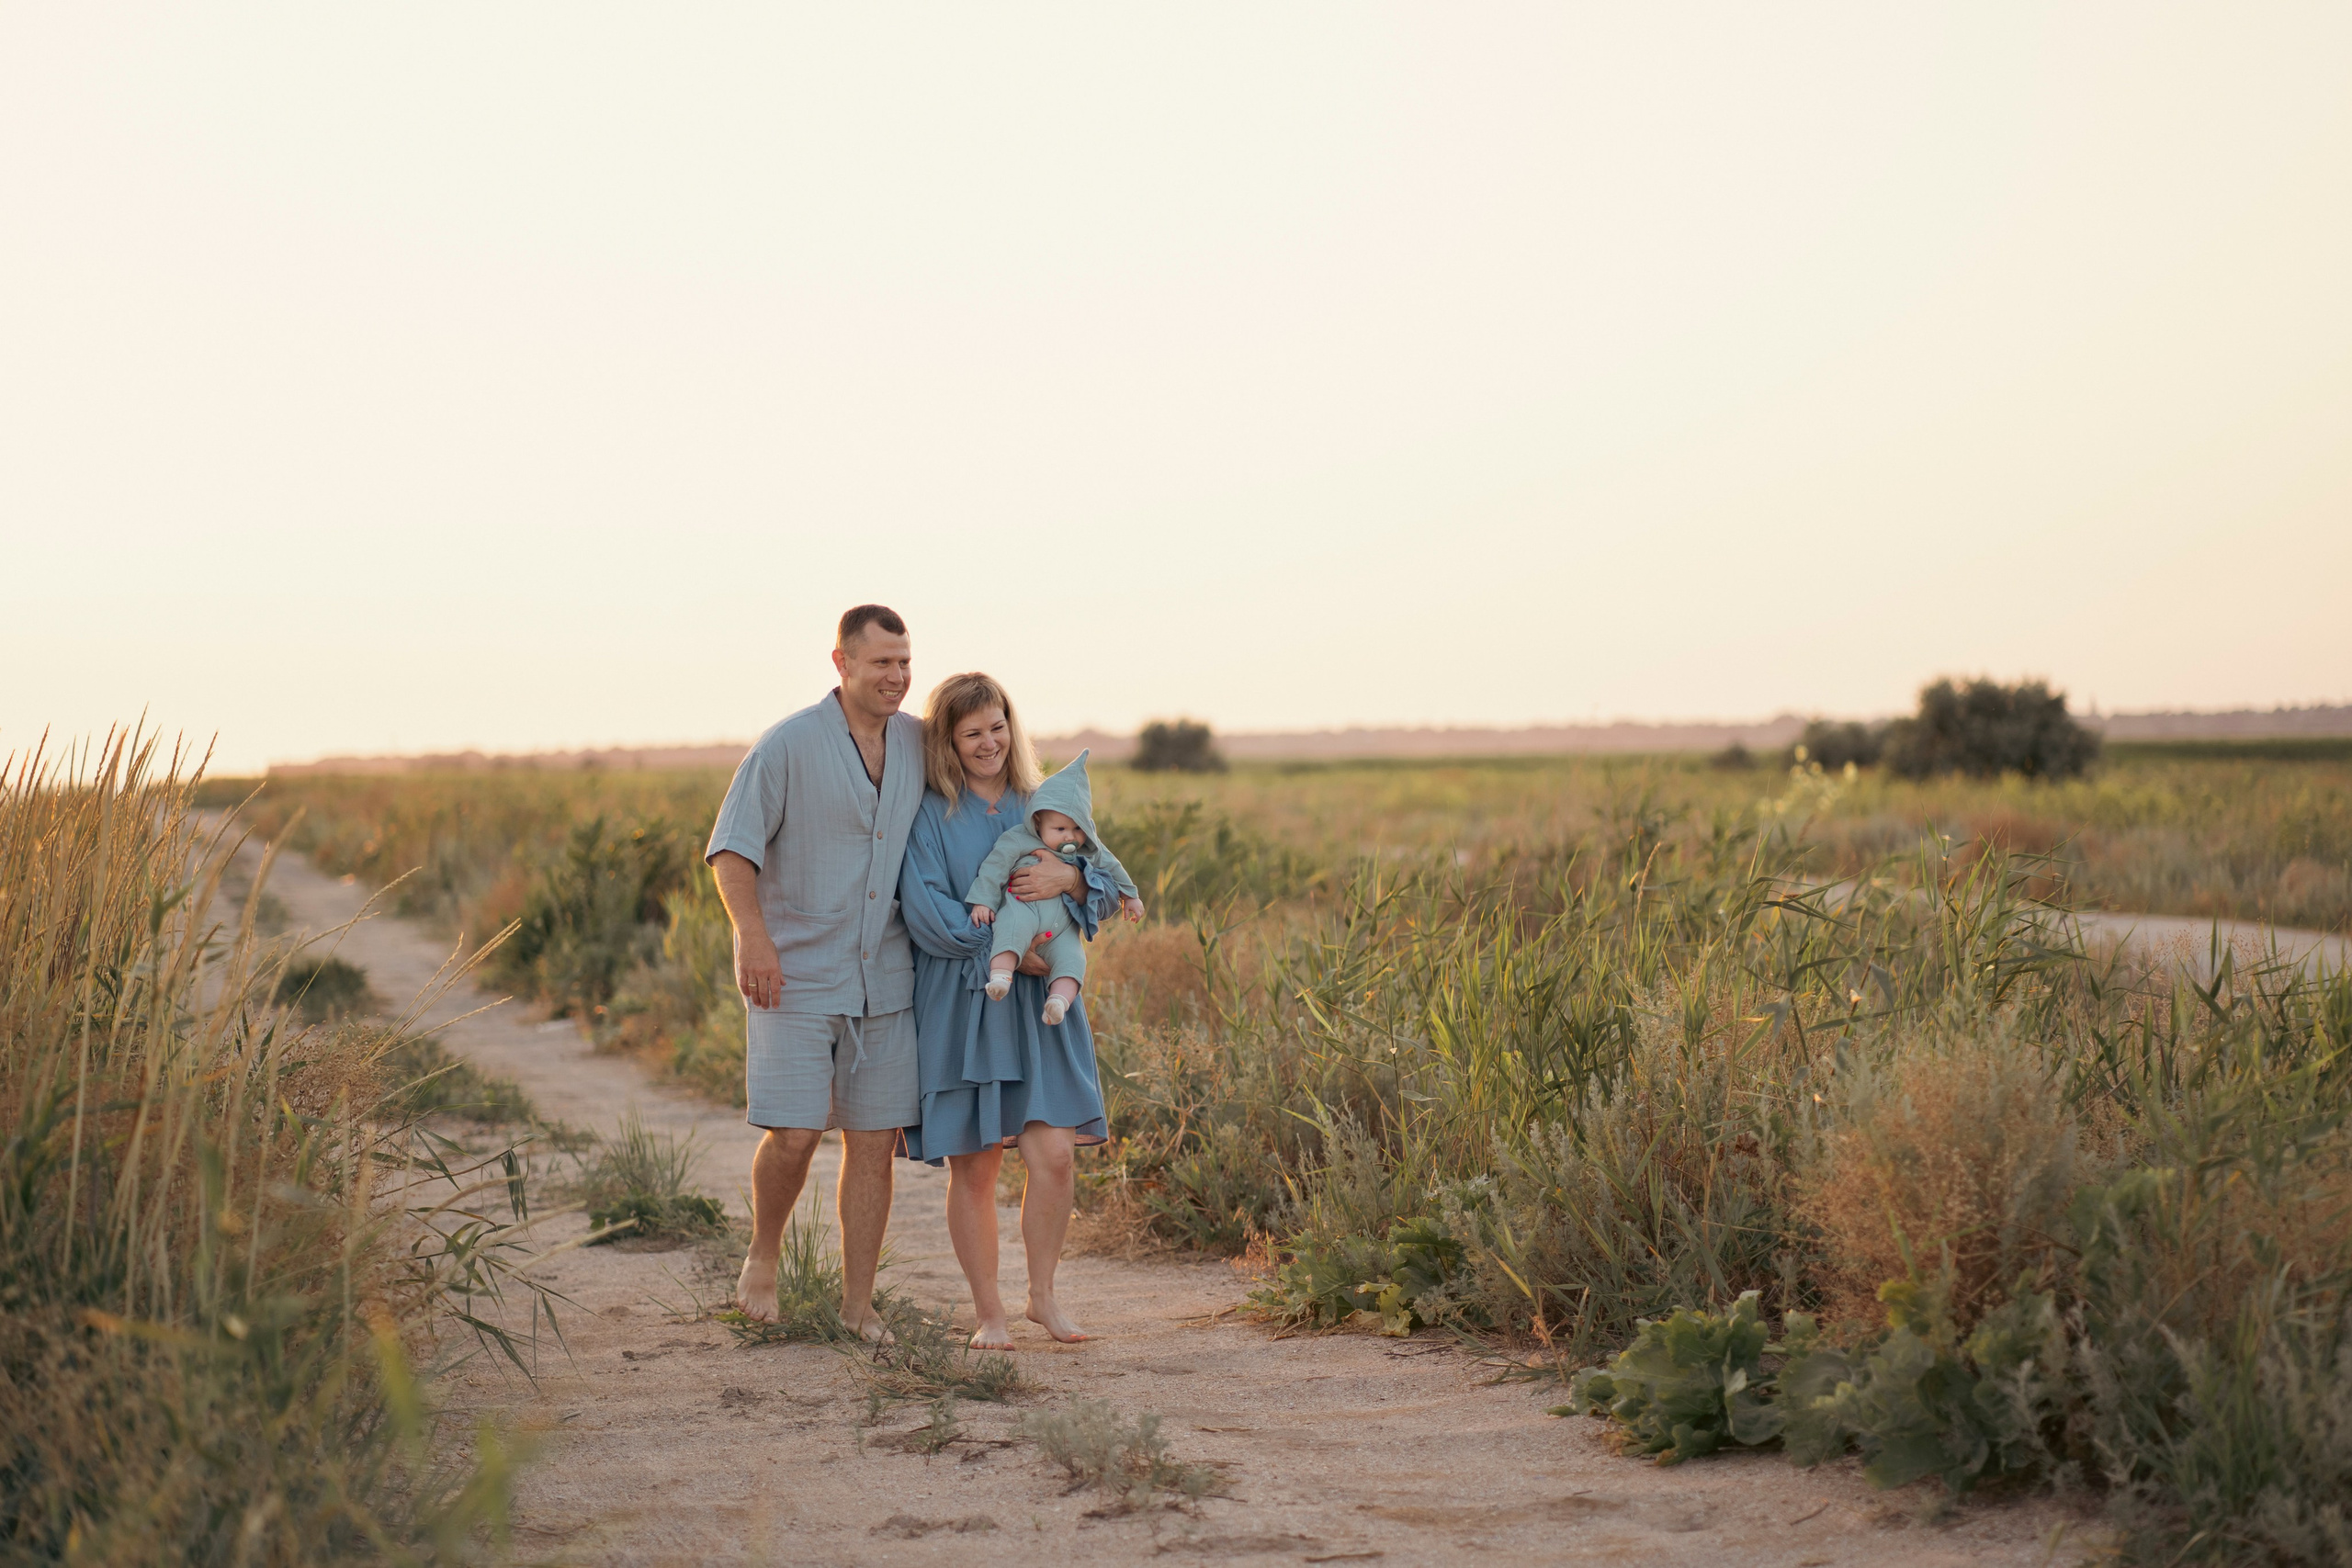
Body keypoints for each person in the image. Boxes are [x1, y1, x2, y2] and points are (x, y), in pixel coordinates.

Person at [705, 604, 926, 1340]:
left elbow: (994, 801)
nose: (895, 676)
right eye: (880, 662)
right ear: (841, 662)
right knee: (796, 1133)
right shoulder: (788, 745)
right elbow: (733, 850)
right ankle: (763, 1255)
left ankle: (858, 1305)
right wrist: (751, 936)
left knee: (872, 1145)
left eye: (903, 661)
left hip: (886, 980)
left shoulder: (922, 744)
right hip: (793, 974)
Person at [898, 673, 1123, 1346]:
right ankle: (989, 1312)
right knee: (976, 1162)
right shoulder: (931, 814)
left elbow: (1107, 889)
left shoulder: (1043, 803)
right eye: (972, 732)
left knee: (1054, 1153)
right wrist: (1001, 947)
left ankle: (1043, 1298)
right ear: (949, 740)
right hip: (967, 998)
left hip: (1040, 1006)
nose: (988, 741)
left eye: (996, 726)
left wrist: (1074, 877)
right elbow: (926, 912)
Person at [966, 749, 1146, 1024]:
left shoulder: (1088, 849)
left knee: (1073, 959)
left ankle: (1059, 1001)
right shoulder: (1018, 839)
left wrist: (1129, 895)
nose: (1070, 837)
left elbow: (1112, 866)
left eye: (1077, 829)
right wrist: (983, 901)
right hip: (1023, 907)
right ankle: (1001, 976)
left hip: (1062, 928)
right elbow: (994, 868)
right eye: (1060, 829)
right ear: (1038, 821)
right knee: (1011, 928)